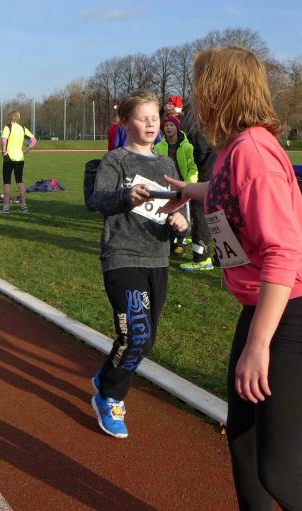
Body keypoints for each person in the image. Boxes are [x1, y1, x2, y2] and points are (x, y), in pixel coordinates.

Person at [161, 47, 302, 511]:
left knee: (281, 471)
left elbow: (283, 251)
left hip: (297, 314)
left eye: (200, 87)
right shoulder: (235, 149)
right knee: (243, 443)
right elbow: (228, 191)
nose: (195, 98)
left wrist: (258, 345)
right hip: (267, 307)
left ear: (218, 91)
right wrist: (189, 191)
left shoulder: (253, 152)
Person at [88, 89, 189, 440]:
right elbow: (98, 200)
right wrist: (124, 196)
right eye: (142, 118)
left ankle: (107, 376)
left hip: (157, 258)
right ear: (125, 122)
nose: (150, 124)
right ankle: (110, 398)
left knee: (145, 340)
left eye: (154, 118)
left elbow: (178, 210)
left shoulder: (166, 165)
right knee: (137, 335)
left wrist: (181, 225)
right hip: (122, 256)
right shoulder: (115, 161)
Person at [179, 103, 216, 272]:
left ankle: (201, 258)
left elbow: (200, 151)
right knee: (218, 216)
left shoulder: (200, 127)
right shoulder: (217, 125)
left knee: (200, 215)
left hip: (206, 176)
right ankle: (222, 257)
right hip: (218, 176)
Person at [154, 114, 198, 255]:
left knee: (183, 215)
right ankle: (170, 241)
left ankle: (181, 242)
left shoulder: (187, 147)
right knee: (168, 213)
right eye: (166, 125)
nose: (168, 127)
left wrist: (188, 184)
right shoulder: (158, 147)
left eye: (171, 125)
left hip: (183, 185)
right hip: (166, 186)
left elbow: (193, 167)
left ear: (177, 128)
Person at [0, 110, 36, 214]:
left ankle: (6, 208)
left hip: (9, 158)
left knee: (7, 182)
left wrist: (4, 152)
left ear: (10, 117)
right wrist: (27, 150)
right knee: (20, 182)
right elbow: (34, 140)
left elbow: (4, 140)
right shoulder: (22, 128)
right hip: (20, 158)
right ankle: (23, 206)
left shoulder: (8, 127)